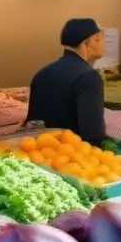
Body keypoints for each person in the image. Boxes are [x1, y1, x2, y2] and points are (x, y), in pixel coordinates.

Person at [27, 17, 107, 146]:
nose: (104, 44)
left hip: (42, 151)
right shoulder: (88, 77)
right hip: (72, 155)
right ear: (88, 42)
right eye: (101, 39)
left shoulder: (42, 73)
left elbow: (33, 122)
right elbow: (92, 131)